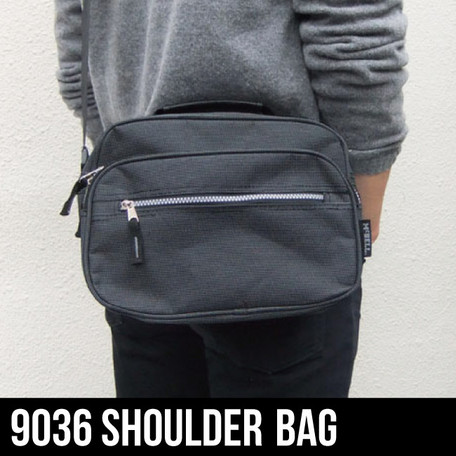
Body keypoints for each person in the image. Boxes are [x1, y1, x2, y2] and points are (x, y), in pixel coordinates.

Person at [54, 0, 408, 398]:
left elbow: (76, 45)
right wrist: (362, 197)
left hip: (144, 243)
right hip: (289, 229)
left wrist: (132, 163)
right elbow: (356, 35)